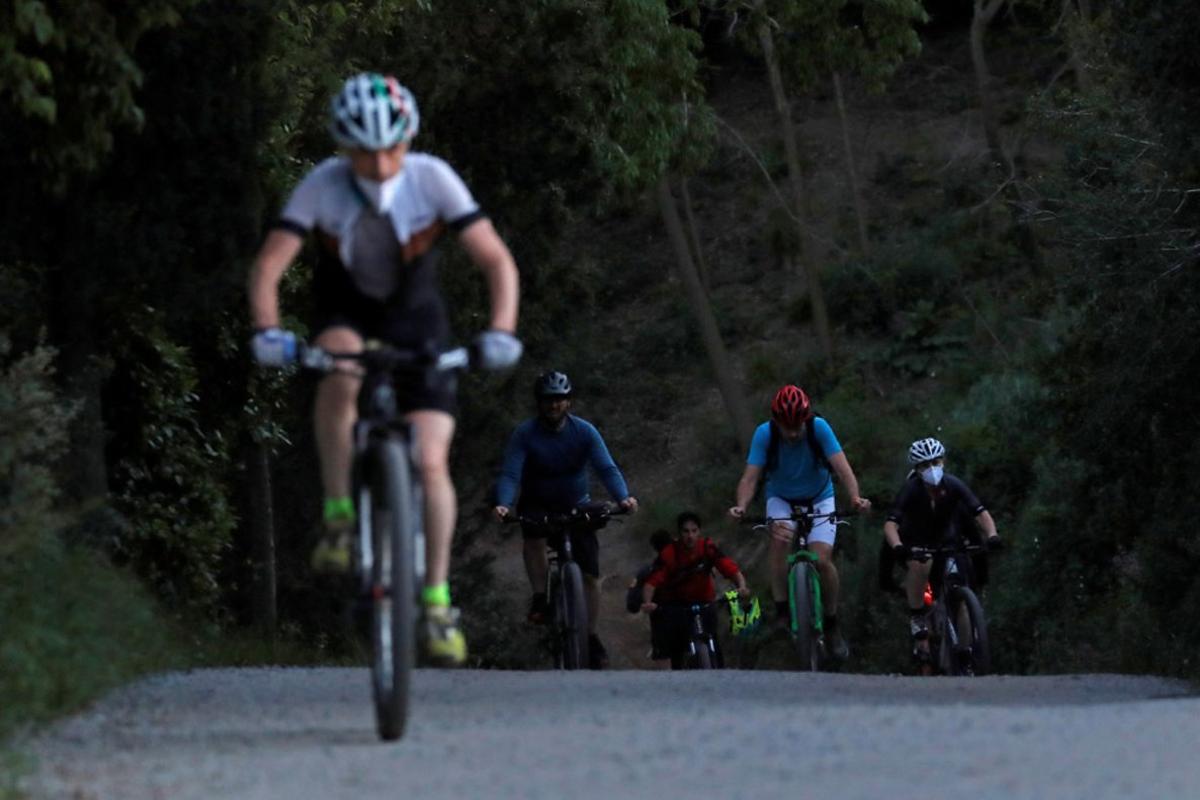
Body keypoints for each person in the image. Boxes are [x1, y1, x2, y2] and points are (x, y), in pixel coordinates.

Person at [247, 73, 522, 667]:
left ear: (409, 139)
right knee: (338, 368)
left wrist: (500, 331)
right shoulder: (322, 185)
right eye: (364, 150)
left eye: (391, 147)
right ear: (343, 148)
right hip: (344, 313)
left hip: (419, 326)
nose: (379, 161)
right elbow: (270, 265)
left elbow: (496, 260)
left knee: (429, 460)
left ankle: (437, 599)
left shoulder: (432, 179)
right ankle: (341, 516)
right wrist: (268, 331)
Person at [492, 370, 638, 669]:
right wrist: (504, 504)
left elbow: (606, 468)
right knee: (532, 536)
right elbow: (510, 473)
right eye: (548, 400)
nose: (553, 405)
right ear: (539, 403)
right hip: (538, 504)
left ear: (569, 402)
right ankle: (539, 597)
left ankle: (591, 635)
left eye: (559, 400)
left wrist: (623, 497)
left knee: (590, 576)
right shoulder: (525, 434)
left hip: (576, 505)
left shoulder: (584, 431)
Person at [728, 384, 870, 661]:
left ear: (806, 419)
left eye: (797, 426)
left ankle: (831, 623)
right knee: (780, 542)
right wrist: (741, 506)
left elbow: (843, 469)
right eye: (786, 427)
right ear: (776, 421)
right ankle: (782, 611)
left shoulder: (819, 428)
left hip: (820, 496)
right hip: (781, 497)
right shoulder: (764, 434)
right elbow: (750, 478)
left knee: (821, 559)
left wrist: (855, 498)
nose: (792, 433)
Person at [882, 437, 1002, 664]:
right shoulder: (911, 489)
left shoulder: (953, 484)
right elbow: (890, 524)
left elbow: (980, 512)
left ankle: (965, 651)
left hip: (948, 541)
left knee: (961, 595)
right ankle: (918, 618)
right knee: (921, 564)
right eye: (925, 465)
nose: (931, 469)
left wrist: (992, 535)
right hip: (918, 541)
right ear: (917, 469)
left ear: (943, 461)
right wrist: (897, 546)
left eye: (935, 462)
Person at [639, 512, 752, 669]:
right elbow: (651, 583)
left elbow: (729, 568)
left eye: (694, 531)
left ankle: (718, 671)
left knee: (713, 638)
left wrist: (741, 586)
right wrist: (648, 603)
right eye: (686, 531)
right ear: (679, 534)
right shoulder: (669, 554)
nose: (690, 536)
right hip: (677, 606)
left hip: (705, 602)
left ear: (699, 531)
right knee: (674, 644)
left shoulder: (707, 548)